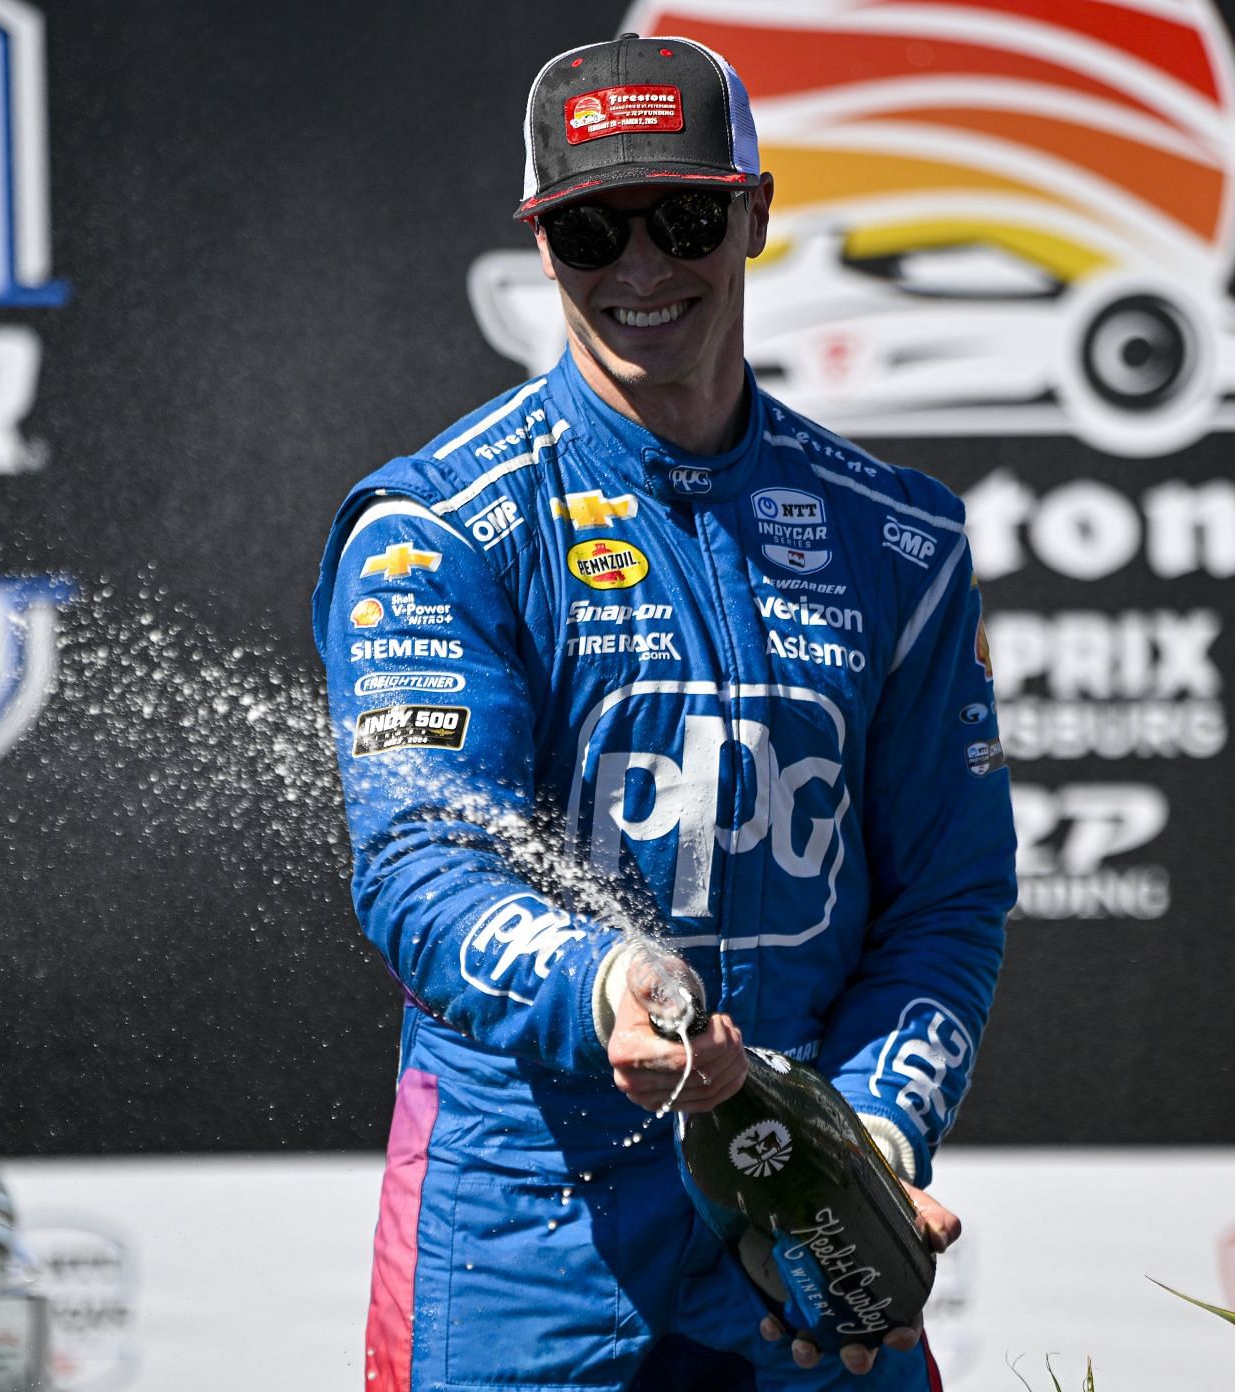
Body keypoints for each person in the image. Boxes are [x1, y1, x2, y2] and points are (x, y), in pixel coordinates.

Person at [312, 33, 1014, 1391]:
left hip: (798, 1235)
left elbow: (949, 896)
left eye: (685, 218)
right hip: (522, 1246)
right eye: (590, 234)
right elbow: (420, 865)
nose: (640, 270)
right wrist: (604, 984)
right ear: (542, 242)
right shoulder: (434, 527)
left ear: (755, 210)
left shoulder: (901, 540)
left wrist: (870, 1135)